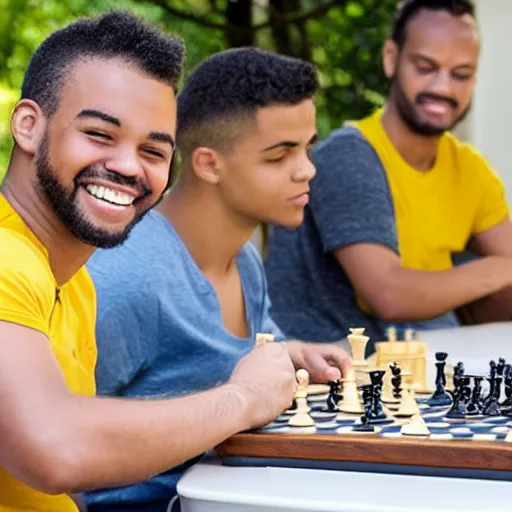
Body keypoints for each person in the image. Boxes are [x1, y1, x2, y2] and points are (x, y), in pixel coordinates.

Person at [0, 12, 299, 512]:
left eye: (153, 151)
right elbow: (54, 449)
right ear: (29, 126)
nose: (127, 166)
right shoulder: (7, 260)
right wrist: (243, 399)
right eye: (99, 134)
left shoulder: (74, 283)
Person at [85, 47, 351, 511]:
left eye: (307, 147)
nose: (307, 169)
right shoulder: (130, 278)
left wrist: (289, 354)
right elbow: (54, 438)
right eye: (279, 155)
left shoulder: (245, 261)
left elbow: (237, 368)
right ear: (209, 164)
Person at [265, 0, 512, 351]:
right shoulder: (349, 155)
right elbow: (389, 295)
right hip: (331, 375)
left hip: (431, 361)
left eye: (461, 74)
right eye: (426, 67)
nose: (443, 88)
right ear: (391, 58)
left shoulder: (470, 169)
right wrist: (500, 269)